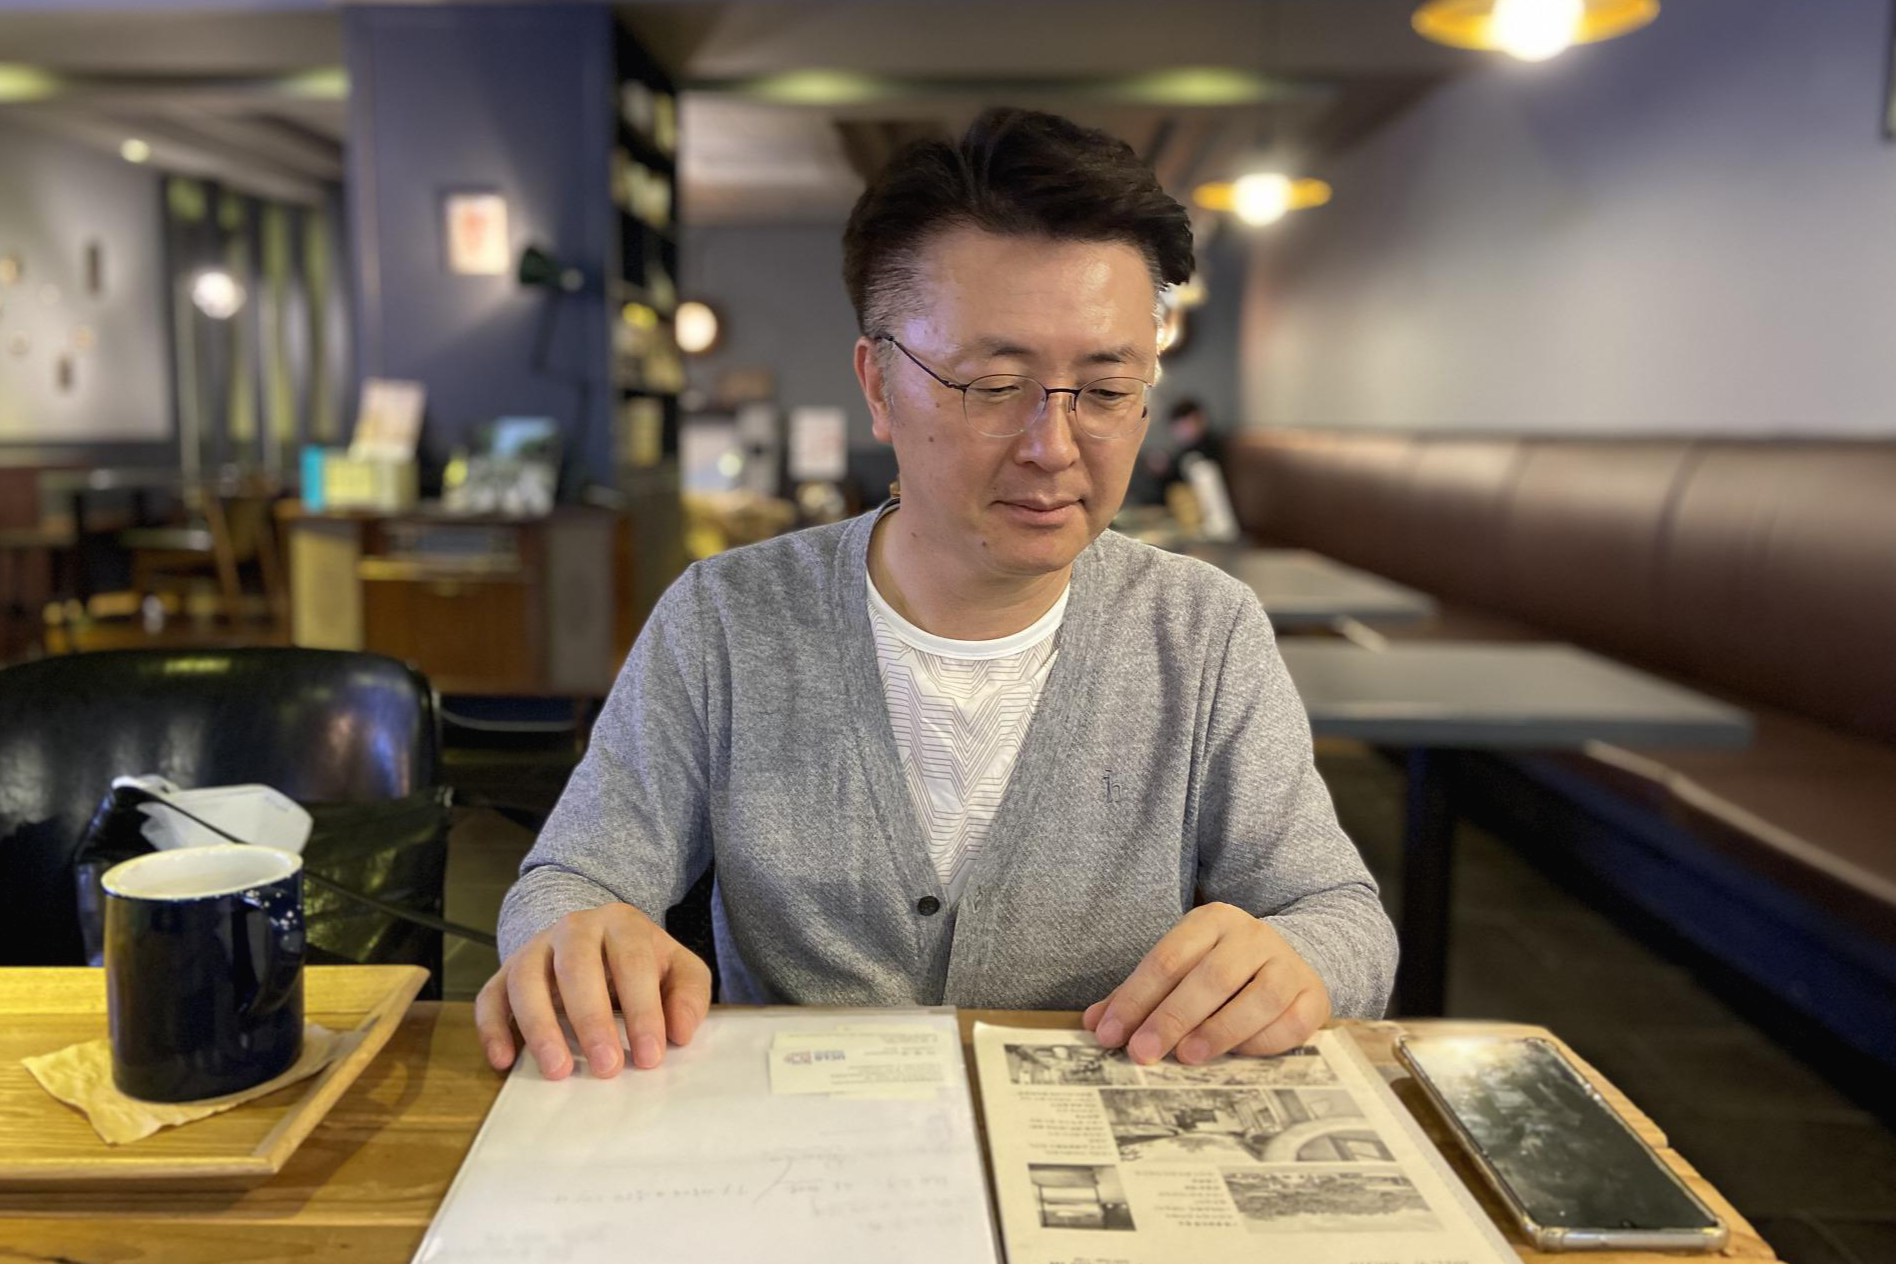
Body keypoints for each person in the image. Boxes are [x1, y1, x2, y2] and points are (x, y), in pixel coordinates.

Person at [478, 107, 1397, 1083]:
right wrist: (577, 935)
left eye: (1105, 389)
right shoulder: (726, 619)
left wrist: (1299, 961)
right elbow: (571, 878)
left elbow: (1341, 917)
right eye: (994, 385)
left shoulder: (1202, 632)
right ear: (879, 385)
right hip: (793, 1142)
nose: (1054, 447)